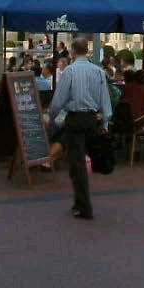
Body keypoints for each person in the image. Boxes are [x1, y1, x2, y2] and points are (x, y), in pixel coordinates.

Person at [47, 39, 112, 220]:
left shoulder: (70, 71)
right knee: (83, 158)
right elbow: (105, 100)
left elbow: (58, 100)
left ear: (73, 51)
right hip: (92, 119)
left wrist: (51, 117)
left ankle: (84, 206)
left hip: (75, 119)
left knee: (77, 163)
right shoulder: (98, 72)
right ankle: (80, 200)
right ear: (87, 50)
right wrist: (105, 122)